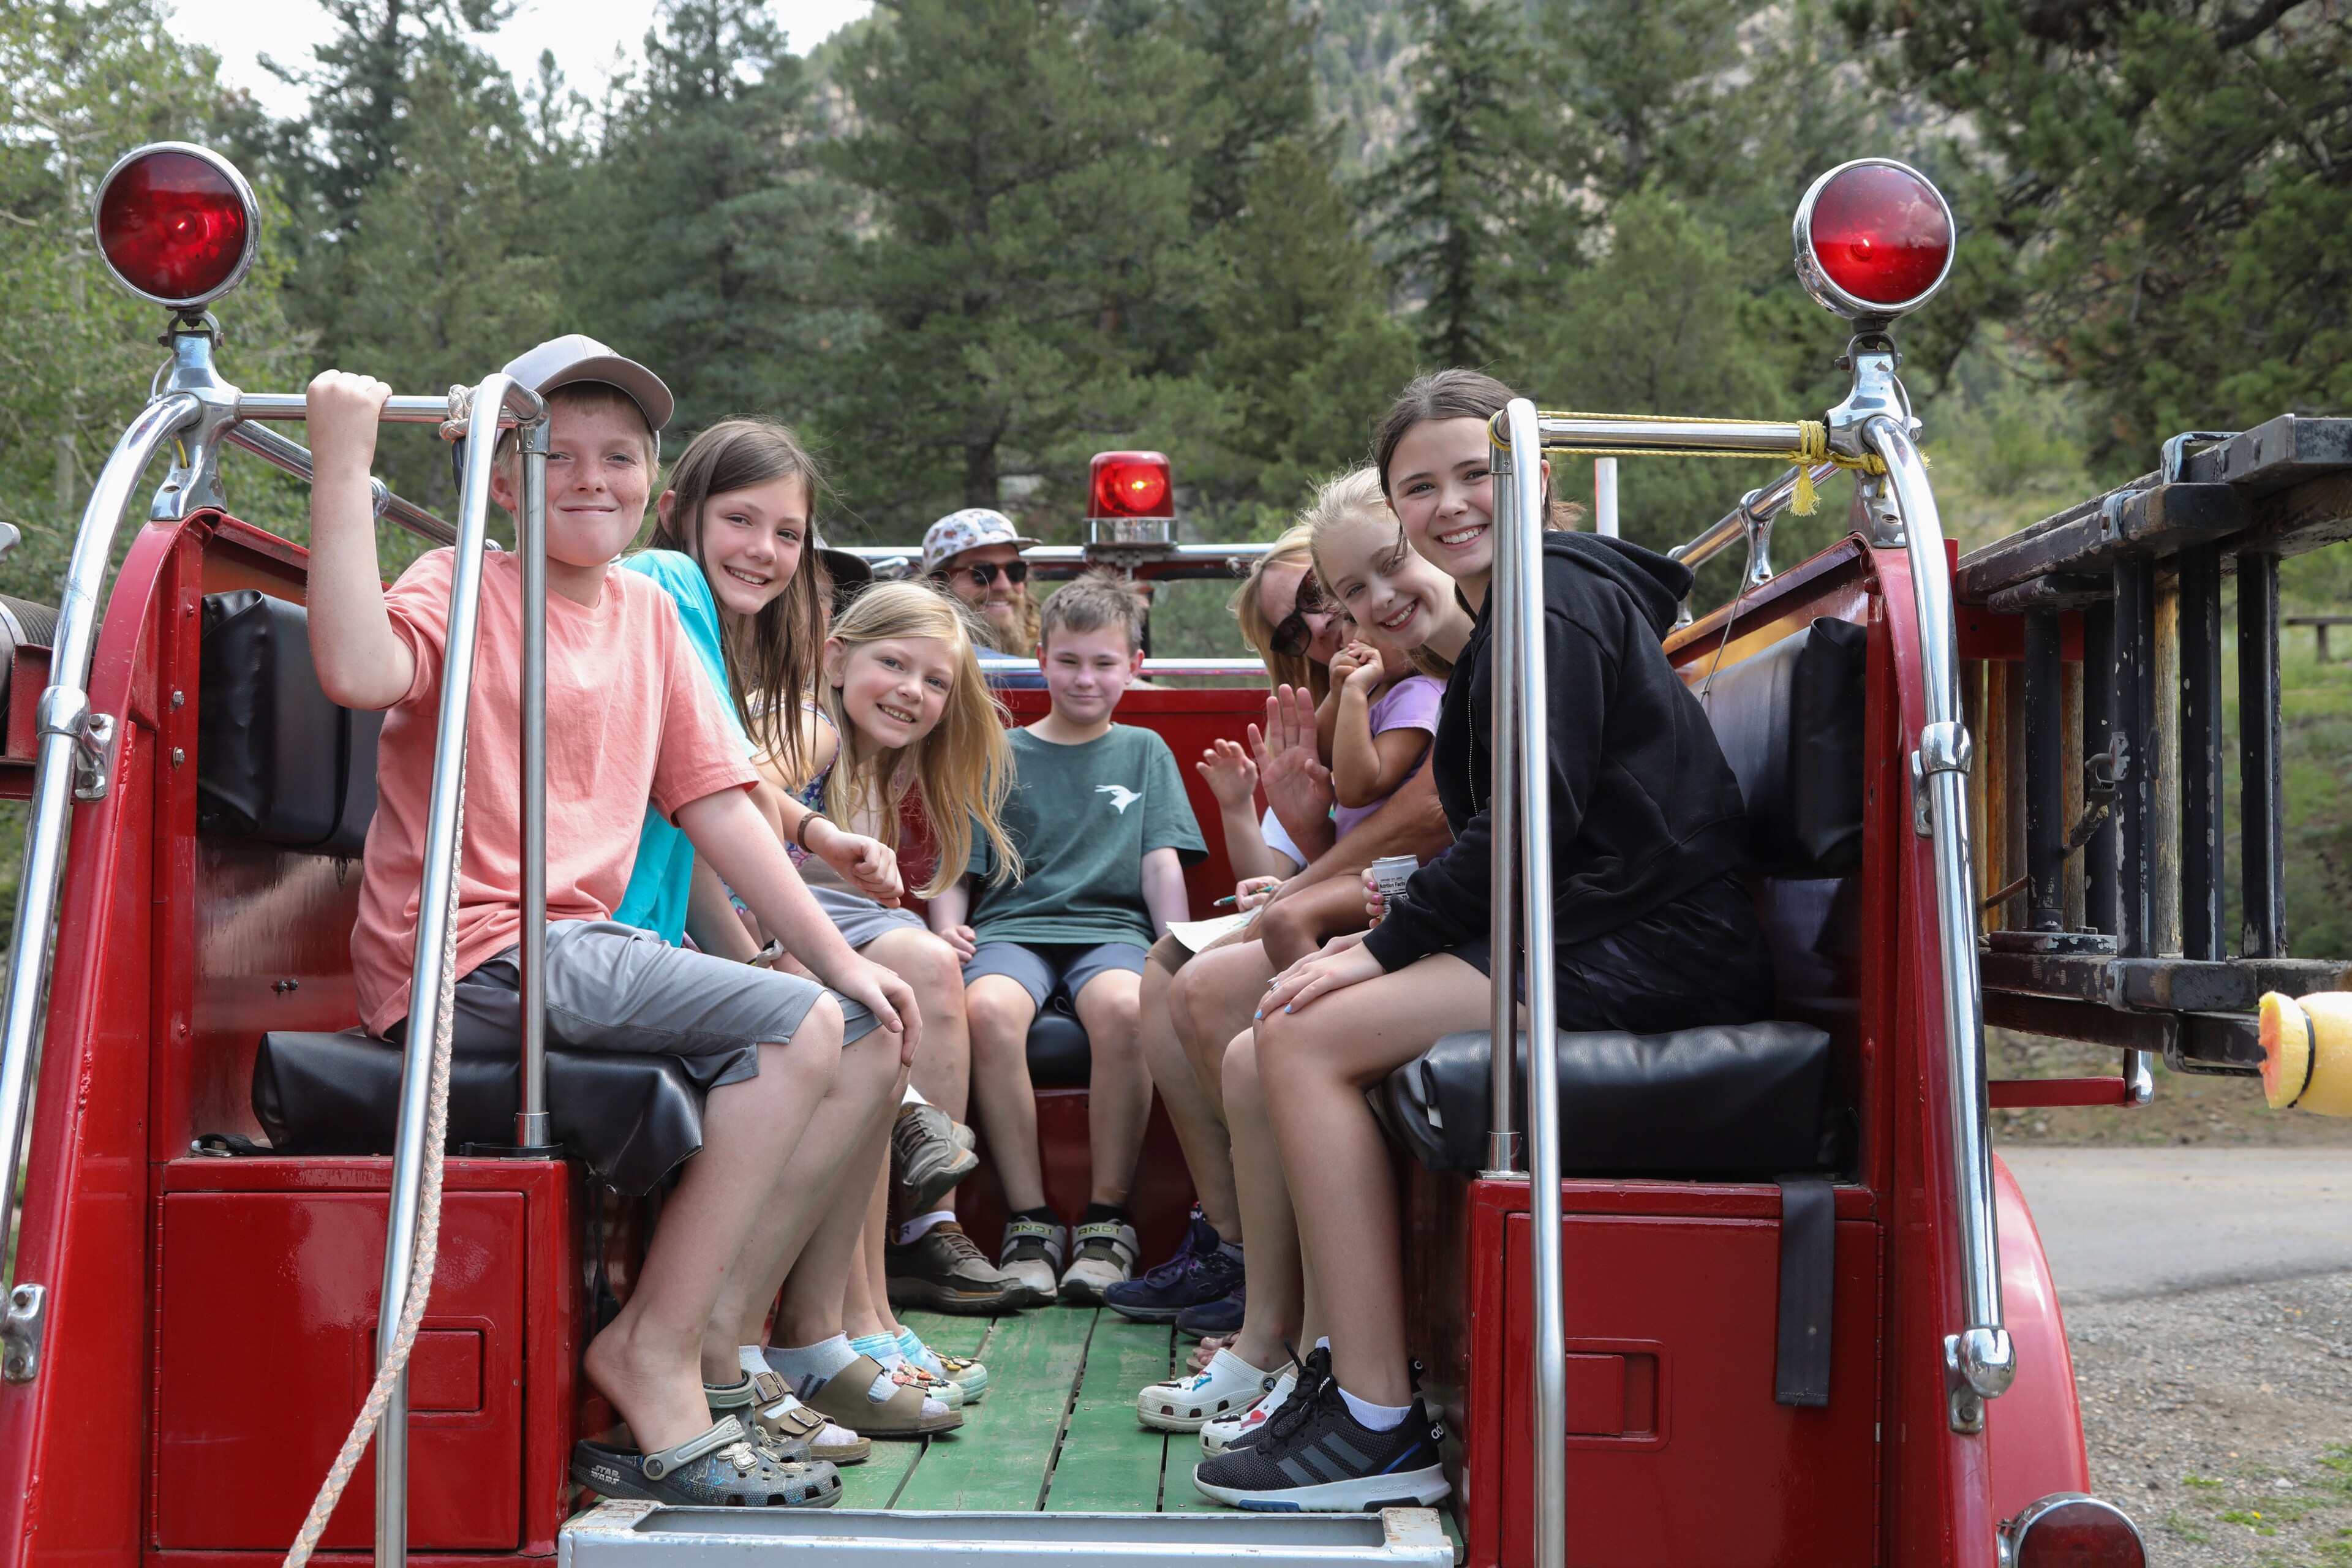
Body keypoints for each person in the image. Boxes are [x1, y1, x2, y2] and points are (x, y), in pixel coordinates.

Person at [302, 337, 921, 1509]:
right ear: (501, 477)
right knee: (797, 1026)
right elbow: (355, 667)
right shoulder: (459, 582)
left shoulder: (643, 615)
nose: (593, 478)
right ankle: (652, 1350)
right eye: (558, 453)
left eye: (621, 457)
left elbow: (724, 811)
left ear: (655, 485)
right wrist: (343, 462)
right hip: (470, 951)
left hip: (582, 949)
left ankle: (715, 1343)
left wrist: (843, 959)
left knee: (852, 1019)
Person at [1191, 369, 1774, 1511]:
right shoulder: (1514, 611)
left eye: (1477, 472)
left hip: (1652, 946)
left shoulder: (1550, 601)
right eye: (1423, 487)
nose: (1452, 504)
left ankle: (1374, 1422)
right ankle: (1335, 1369)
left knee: (1299, 1036)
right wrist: (1388, 924)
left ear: (1535, 476)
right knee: (1276, 1036)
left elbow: (1531, 825)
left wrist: (1385, 945)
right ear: (1399, 505)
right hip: (1589, 926)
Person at [1128, 471, 1471, 1441]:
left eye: (1370, 583)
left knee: (1260, 1015)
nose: (1344, 620)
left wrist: (1338, 914)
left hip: (1559, 947)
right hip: (1481, 924)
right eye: (1324, 608)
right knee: (1223, 1008)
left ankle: (1335, 1371)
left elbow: (1476, 829)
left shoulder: (1488, 663)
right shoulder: (1401, 684)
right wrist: (1291, 838)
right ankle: (1276, 1323)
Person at [929, 571, 1207, 1304]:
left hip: (1110, 929)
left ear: (1134, 667)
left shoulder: (1145, 751)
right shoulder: (998, 750)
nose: (1087, 679)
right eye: (1071, 661)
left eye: (1105, 663)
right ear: (1042, 660)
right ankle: (1030, 1221)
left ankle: (1108, 1223)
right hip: (1012, 927)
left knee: (1125, 1009)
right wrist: (945, 931)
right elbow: (962, 865)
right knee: (986, 1010)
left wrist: (1170, 948)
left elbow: (1159, 862)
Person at [923, 507, 1047, 687]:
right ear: (939, 586)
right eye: (982, 573)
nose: (1004, 585)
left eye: (1015, 571)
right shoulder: (929, 652)